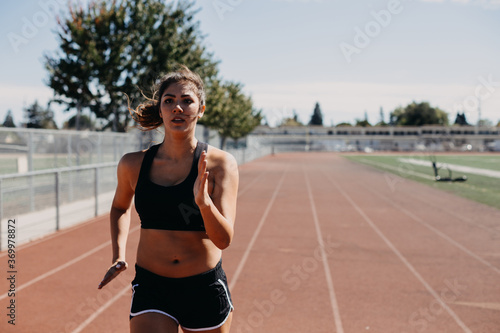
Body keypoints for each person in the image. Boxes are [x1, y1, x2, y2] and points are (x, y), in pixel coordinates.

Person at [98, 66, 239, 333]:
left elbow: (224, 240)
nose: (178, 107)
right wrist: (118, 254)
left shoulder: (221, 165)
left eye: (187, 100)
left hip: (204, 287)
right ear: (160, 110)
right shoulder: (133, 164)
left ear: (201, 110)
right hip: (153, 287)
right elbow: (119, 207)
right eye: (169, 101)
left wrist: (204, 204)